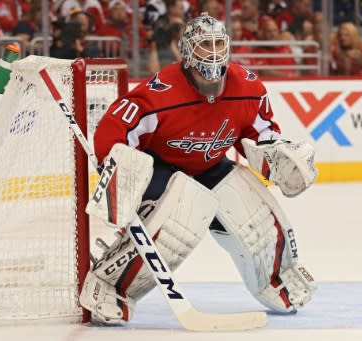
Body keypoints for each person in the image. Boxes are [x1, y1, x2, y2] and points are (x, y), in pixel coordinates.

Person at [79, 12, 318, 325]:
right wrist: (119, 167)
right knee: (178, 222)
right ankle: (110, 285)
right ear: (188, 50)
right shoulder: (159, 93)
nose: (214, 51)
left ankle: (277, 280)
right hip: (161, 168)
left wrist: (278, 159)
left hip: (210, 164)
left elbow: (261, 137)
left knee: (254, 217)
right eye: (206, 44)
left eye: (219, 42)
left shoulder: (248, 87)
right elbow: (116, 130)